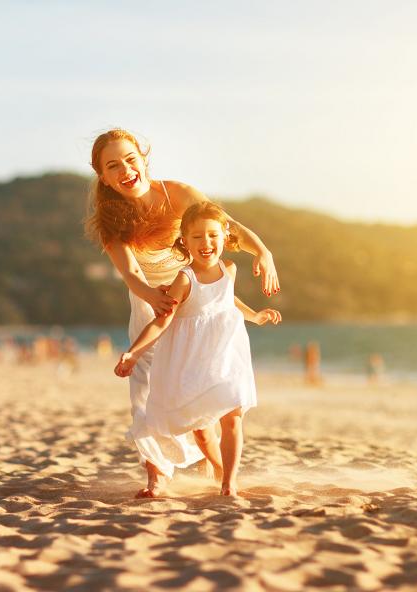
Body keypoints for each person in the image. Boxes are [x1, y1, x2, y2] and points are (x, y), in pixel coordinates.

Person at [85, 129, 280, 498]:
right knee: (145, 389)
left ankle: (218, 463)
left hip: (193, 296)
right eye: (113, 166)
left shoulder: (178, 194)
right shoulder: (112, 221)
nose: (126, 170)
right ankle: (156, 475)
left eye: (130, 159)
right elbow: (131, 274)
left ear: (143, 158)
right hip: (150, 301)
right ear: (104, 177)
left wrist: (263, 253)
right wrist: (153, 299)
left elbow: (225, 229)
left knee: (193, 381)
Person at [115, 202, 281, 496]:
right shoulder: (185, 279)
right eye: (198, 237)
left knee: (233, 414)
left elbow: (227, 302)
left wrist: (255, 315)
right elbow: (162, 322)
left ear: (225, 236)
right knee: (202, 430)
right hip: (193, 361)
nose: (207, 243)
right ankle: (216, 466)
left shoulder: (228, 269)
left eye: (213, 235)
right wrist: (135, 351)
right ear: (185, 241)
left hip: (226, 355)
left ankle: (229, 482)